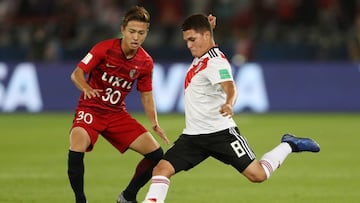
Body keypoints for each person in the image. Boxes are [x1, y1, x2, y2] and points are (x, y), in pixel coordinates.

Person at [142, 14, 320, 203]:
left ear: (205, 36)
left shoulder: (215, 62)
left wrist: (229, 103)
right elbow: (207, 39)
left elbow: (230, 86)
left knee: (258, 175)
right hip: (193, 137)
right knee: (161, 170)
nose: (189, 45)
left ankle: (289, 144)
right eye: (187, 41)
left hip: (220, 134)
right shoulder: (202, 54)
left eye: (192, 40)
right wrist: (209, 28)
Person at [67, 6, 169, 203]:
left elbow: (146, 95)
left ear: (146, 33)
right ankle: (80, 200)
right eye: (132, 31)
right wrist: (86, 87)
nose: (135, 37)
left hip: (116, 114)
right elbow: (76, 73)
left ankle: (128, 196)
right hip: (90, 109)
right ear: (123, 30)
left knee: (156, 154)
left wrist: (154, 122)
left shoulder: (146, 62)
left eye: (141, 33)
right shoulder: (103, 48)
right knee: (76, 147)